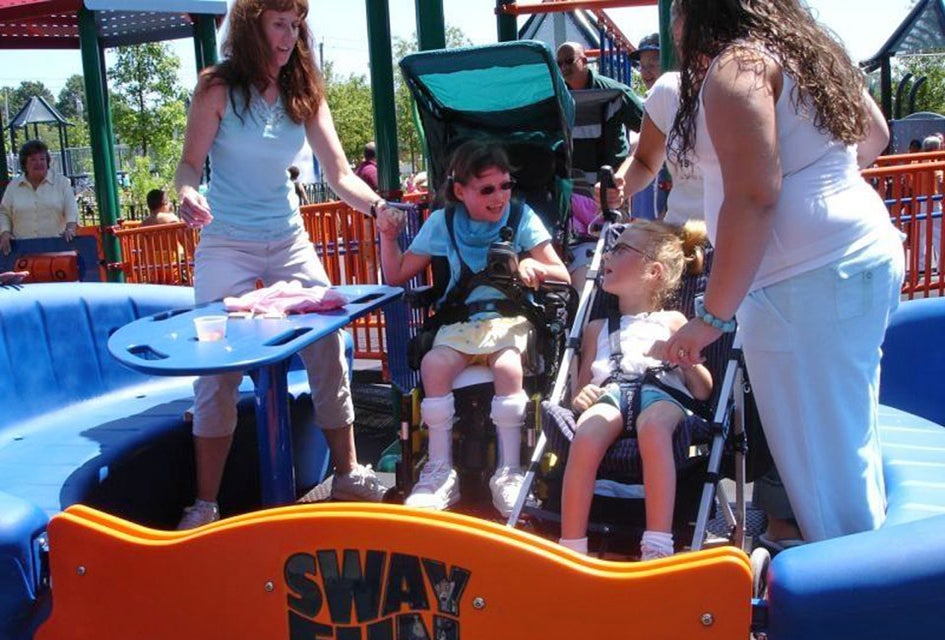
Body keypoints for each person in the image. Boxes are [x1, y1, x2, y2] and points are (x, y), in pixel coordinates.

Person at [663, 0, 905, 543]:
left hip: (806, 288)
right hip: (862, 257)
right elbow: (875, 135)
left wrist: (711, 318)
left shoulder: (737, 67)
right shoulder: (805, 50)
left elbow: (753, 196)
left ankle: (859, 613)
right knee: (848, 451)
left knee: (827, 484)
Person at [173, 0, 391, 529]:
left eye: (296, 24)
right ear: (251, 26)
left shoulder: (304, 93)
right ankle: (205, 504)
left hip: (288, 238)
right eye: (278, 22)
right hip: (226, 241)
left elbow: (339, 174)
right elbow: (188, 166)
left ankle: (347, 472)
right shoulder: (216, 88)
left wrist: (379, 207)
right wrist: (185, 193)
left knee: (327, 342)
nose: (289, 34)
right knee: (216, 369)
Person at [376, 139, 570, 516]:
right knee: (433, 365)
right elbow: (397, 274)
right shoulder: (443, 223)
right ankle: (438, 470)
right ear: (460, 191)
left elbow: (561, 274)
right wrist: (387, 237)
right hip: (462, 322)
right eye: (487, 189)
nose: (499, 197)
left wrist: (536, 269)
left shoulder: (521, 217)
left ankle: (510, 471)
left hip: (511, 319)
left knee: (506, 366)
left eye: (505, 186)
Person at [558, 220, 712, 560]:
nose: (609, 255)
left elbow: (703, 391)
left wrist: (684, 359)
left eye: (622, 249)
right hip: (612, 393)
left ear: (653, 271)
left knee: (653, 428)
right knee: (585, 433)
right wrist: (580, 397)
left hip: (661, 394)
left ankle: (657, 543)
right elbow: (583, 385)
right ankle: (572, 546)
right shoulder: (596, 328)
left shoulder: (672, 321)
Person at [556, 42, 643, 180]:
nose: (564, 67)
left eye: (568, 61)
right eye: (559, 64)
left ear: (584, 61)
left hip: (609, 183)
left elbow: (648, 127)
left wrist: (635, 163)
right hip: (575, 185)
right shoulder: (558, 97)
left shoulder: (614, 92)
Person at [0, 139, 78, 256]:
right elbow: (4, 212)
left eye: (42, 159)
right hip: (23, 253)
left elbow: (72, 210)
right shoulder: (13, 186)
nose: (39, 163)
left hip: (58, 252)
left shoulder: (62, 183)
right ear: (24, 164)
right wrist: (5, 233)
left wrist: (70, 229)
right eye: (33, 160)